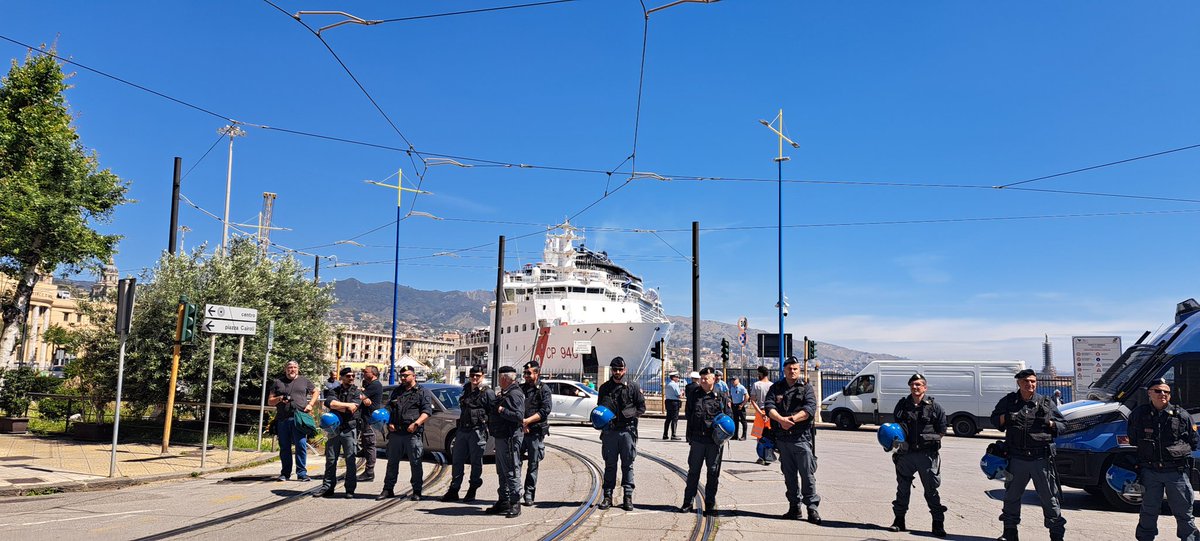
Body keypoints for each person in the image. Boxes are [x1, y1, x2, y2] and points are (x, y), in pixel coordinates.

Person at [990, 368, 1066, 541]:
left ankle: (1056, 534)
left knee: (1049, 499)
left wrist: (1050, 423)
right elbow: (994, 420)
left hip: (1041, 459)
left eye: (1032, 381)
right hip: (1017, 458)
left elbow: (1063, 426)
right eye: (1026, 382)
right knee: (1011, 497)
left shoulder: (1046, 402)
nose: (1029, 384)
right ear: (1019, 383)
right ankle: (1010, 531)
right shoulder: (1009, 401)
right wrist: (1007, 418)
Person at [1127, 378, 1198, 541]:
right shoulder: (1139, 414)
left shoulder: (1181, 415)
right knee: (1148, 512)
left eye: (1166, 392)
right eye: (1158, 391)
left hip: (1176, 473)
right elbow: (1133, 439)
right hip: (1150, 472)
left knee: (1184, 514)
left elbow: (1194, 441)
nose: (1162, 394)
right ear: (1149, 393)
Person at [888, 373, 948, 537]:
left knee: (931, 491)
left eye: (918, 385)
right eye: (913, 384)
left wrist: (930, 441)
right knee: (902, 489)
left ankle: (937, 523)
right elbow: (896, 427)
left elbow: (942, 430)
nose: (915, 387)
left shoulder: (935, 407)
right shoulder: (902, 405)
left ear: (925, 388)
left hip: (926, 455)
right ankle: (899, 521)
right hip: (906, 454)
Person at [765, 356, 822, 524]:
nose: (792, 371)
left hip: (801, 438)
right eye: (789, 368)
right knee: (789, 476)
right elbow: (769, 407)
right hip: (782, 440)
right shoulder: (776, 388)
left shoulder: (806, 388)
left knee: (807, 475)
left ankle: (812, 509)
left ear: (799, 370)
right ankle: (794, 507)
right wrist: (781, 420)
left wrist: (791, 420)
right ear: (784, 370)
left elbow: (810, 409)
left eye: (795, 368)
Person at [679, 367, 731, 516]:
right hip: (697, 440)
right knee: (693, 472)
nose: (702, 381)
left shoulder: (721, 397)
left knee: (713, 473)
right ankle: (687, 502)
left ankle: (710, 503)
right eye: (701, 378)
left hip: (713, 442)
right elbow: (689, 415)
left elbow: (729, 418)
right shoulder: (694, 395)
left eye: (705, 378)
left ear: (713, 379)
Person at [597, 356, 647, 511]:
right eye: (614, 369)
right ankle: (607, 496)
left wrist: (630, 414)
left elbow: (642, 407)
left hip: (627, 431)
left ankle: (627, 496)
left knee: (628, 465)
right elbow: (600, 408)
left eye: (620, 369)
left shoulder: (632, 387)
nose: (617, 372)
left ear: (625, 370)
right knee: (610, 465)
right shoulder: (604, 388)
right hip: (610, 431)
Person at [378, 365, 434, 501]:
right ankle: (388, 489)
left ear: (413, 376)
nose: (403, 378)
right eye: (402, 375)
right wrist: (388, 422)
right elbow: (388, 408)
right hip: (396, 432)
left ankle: (417, 490)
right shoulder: (397, 391)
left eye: (406, 375)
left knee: (415, 463)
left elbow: (427, 412)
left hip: (412, 433)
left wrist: (416, 424)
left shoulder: (422, 392)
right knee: (392, 462)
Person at [442, 365, 494, 503]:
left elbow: (492, 412)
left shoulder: (487, 392)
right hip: (463, 430)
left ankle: (472, 489)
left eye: (478, 375)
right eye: (472, 375)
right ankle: (454, 489)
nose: (475, 378)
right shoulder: (465, 389)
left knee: (476, 462)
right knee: (457, 460)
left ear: (482, 376)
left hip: (477, 430)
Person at [268, 360, 319, 482]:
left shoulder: (304, 381)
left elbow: (316, 391)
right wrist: (280, 398)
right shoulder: (278, 382)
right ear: (285, 369)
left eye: (295, 367)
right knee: (284, 447)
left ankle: (302, 473)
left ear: (298, 369)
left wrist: (311, 404)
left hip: (299, 418)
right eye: (290, 367)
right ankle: (285, 473)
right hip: (282, 419)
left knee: (301, 445)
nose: (292, 369)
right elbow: (270, 401)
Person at [485, 365, 526, 518]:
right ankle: (503, 501)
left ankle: (515, 502)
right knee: (502, 471)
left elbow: (518, 416)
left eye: (500, 378)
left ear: (504, 378)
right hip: (502, 437)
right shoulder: (506, 393)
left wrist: (502, 410)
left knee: (510, 470)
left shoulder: (514, 394)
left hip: (510, 438)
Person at [315, 367, 361, 498]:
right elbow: (330, 404)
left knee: (350, 460)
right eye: (348, 376)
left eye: (353, 376)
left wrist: (338, 405)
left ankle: (350, 489)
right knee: (331, 460)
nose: (351, 378)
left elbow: (353, 408)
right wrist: (346, 405)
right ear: (342, 377)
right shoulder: (334, 390)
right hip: (334, 430)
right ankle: (328, 487)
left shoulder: (356, 392)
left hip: (349, 429)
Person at [519, 360, 553, 506]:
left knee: (533, 464)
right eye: (525, 373)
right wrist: (522, 422)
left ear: (537, 373)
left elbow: (545, 410)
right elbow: (515, 407)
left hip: (535, 432)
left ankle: (529, 493)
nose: (526, 376)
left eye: (529, 373)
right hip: (520, 431)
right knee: (515, 464)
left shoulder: (544, 389)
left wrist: (528, 421)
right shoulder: (520, 389)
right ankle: (515, 491)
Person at [358, 365, 383, 483]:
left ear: (372, 374)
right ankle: (368, 471)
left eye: (365, 371)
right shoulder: (369, 385)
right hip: (366, 419)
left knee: (369, 445)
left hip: (370, 420)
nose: (363, 373)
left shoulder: (375, 385)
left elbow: (360, 397)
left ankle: (369, 472)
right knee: (366, 445)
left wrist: (362, 393)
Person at [749, 366, 775, 466]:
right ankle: (769, 454)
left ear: (760, 373)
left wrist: (760, 412)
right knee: (770, 434)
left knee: (759, 435)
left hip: (760, 412)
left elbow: (753, 400)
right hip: (771, 412)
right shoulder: (772, 385)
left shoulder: (756, 385)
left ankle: (761, 456)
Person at [663, 372, 683, 441]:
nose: (678, 379)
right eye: (677, 377)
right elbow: (679, 395)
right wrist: (682, 393)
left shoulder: (668, 384)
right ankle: (673, 434)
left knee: (668, 419)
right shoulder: (675, 385)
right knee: (674, 419)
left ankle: (665, 434)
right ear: (674, 377)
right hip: (674, 402)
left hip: (668, 402)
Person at [729, 376, 749, 441]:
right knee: (735, 421)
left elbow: (747, 396)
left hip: (740, 406)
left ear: (738, 380)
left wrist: (742, 404)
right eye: (732, 380)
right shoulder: (732, 388)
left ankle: (744, 435)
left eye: (734, 380)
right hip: (734, 405)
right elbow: (731, 396)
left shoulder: (741, 387)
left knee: (743, 421)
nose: (733, 381)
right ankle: (735, 435)